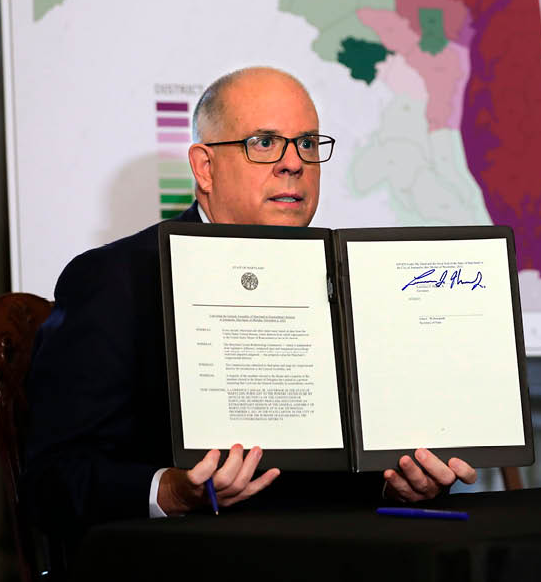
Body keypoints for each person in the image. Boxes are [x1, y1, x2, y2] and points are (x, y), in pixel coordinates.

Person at [23, 67, 476, 555]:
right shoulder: (116, 280)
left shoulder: (348, 279)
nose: (293, 163)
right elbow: (52, 480)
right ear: (204, 168)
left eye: (307, 143)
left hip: (343, 556)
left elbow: (346, 476)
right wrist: (172, 491)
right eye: (264, 143)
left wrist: (401, 485)